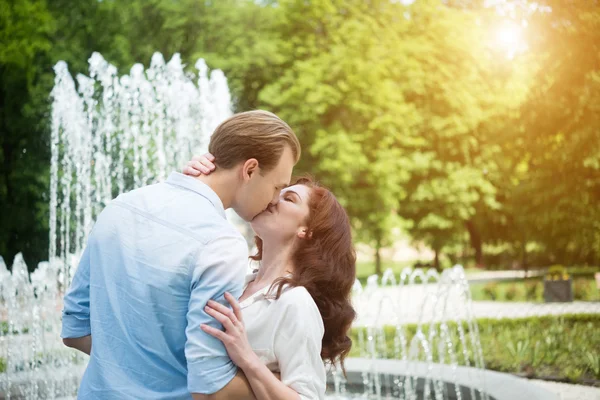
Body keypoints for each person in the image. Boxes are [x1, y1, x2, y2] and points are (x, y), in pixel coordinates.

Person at [61, 110, 301, 399]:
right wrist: (278, 382)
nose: (275, 199)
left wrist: (131, 363)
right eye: (278, 186)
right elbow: (209, 390)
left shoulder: (120, 207)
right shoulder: (222, 244)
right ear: (249, 170)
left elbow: (74, 329)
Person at [183, 156, 357, 400]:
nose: (273, 198)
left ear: (306, 230)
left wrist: (247, 358)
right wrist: (198, 183)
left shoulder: (295, 302)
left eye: (289, 198)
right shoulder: (238, 280)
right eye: (278, 190)